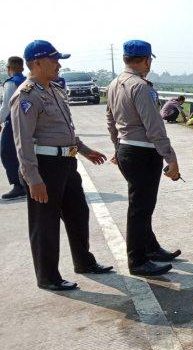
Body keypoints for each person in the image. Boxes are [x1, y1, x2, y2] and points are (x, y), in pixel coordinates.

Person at [10, 40, 113, 290]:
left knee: (78, 213)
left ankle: (84, 262)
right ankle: (48, 277)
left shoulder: (54, 89)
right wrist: (33, 178)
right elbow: (22, 142)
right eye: (54, 60)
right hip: (44, 166)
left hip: (67, 162)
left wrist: (85, 150)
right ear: (36, 63)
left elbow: (65, 130)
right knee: (45, 222)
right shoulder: (26, 96)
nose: (58, 65)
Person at [106, 40, 181, 276]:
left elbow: (110, 120)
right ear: (146, 60)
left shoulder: (114, 84)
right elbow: (154, 126)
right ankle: (137, 260)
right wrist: (170, 157)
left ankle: (150, 248)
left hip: (127, 149)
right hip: (142, 153)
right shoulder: (140, 86)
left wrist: (117, 147)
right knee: (141, 208)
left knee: (141, 204)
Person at [1, 56, 27, 200]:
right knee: (24, 153)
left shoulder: (11, 83)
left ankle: (18, 185)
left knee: (7, 153)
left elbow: (6, 107)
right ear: (22, 68)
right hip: (27, 123)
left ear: (8, 68)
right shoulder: (27, 81)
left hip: (13, 123)